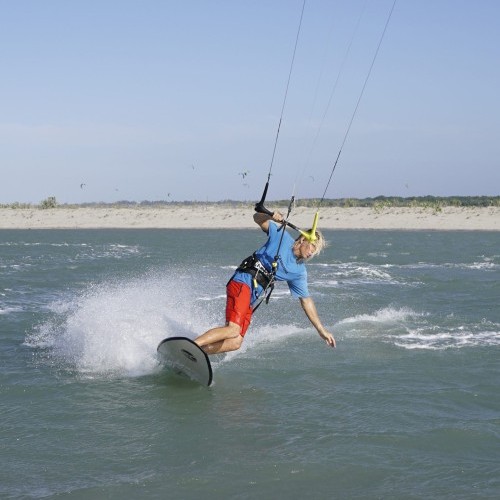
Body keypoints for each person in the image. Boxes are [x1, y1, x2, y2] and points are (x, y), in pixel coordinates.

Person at [194, 210, 336, 354]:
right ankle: (193, 344)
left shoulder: (298, 272)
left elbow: (306, 301)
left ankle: (197, 352)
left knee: (235, 342)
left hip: (251, 296)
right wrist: (269, 216)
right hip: (242, 281)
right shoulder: (281, 236)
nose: (312, 252)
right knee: (233, 329)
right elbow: (257, 218)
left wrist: (321, 330)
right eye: (312, 246)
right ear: (302, 239)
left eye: (315, 250)